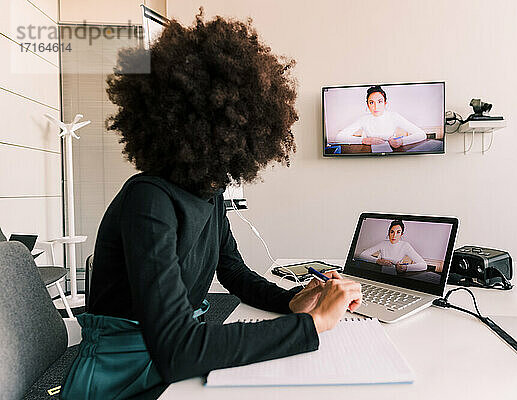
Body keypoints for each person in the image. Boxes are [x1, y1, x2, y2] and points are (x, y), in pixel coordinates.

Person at [61, 11, 362, 400]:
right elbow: (178, 350)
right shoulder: (148, 199)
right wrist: (315, 323)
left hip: (171, 354)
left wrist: (292, 302)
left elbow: (234, 272)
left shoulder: (211, 191)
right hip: (123, 373)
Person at [334, 85, 427, 148]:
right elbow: (339, 137)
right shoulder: (363, 119)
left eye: (379, 102)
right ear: (368, 105)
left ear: (385, 103)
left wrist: (401, 142)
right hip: (369, 156)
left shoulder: (394, 116)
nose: (376, 106)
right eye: (371, 102)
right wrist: (364, 140)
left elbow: (422, 134)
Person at [358, 220, 427, 274]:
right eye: (392, 232)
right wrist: (378, 261)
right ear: (389, 233)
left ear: (401, 234)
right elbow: (362, 255)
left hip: (395, 276)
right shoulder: (383, 243)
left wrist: (406, 268)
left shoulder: (405, 245)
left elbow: (423, 265)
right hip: (379, 273)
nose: (394, 236)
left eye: (398, 232)